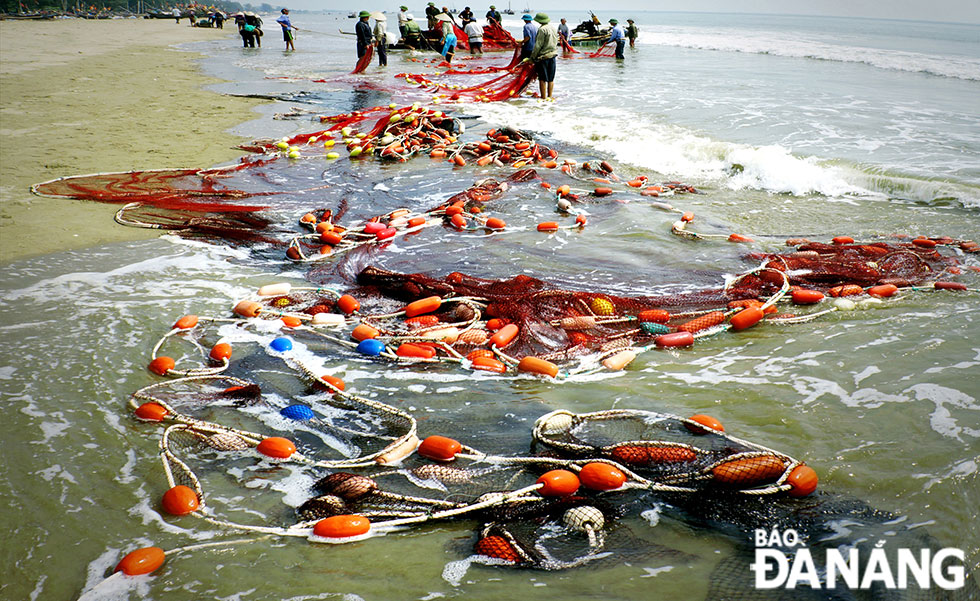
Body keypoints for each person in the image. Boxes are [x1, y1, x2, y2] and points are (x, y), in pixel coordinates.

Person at [526, 12, 557, 100]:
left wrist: (532, 58)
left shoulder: (542, 29)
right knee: (551, 79)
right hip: (553, 55)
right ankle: (549, 96)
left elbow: (538, 45)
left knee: (542, 79)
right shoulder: (553, 28)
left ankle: (543, 98)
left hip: (543, 57)